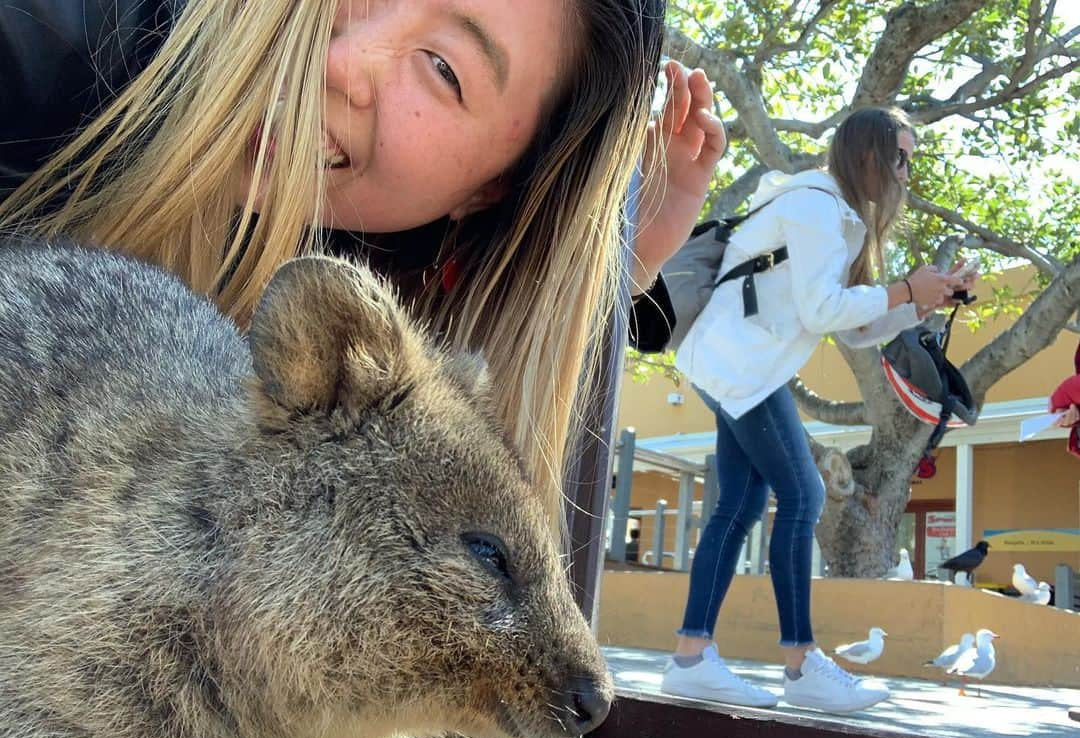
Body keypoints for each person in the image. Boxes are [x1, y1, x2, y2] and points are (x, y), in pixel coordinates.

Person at [0, 0, 725, 522]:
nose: (341, 59)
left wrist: (620, 270)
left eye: (443, 68)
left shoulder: (360, 251)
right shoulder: (56, 49)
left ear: (490, 189)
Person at [652, 107, 973, 713]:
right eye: (900, 156)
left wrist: (918, 303)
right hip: (744, 367)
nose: (906, 172)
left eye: (911, 159)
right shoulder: (819, 205)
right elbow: (825, 310)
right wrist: (905, 288)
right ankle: (800, 665)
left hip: (734, 364)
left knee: (742, 504)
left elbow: (853, 329)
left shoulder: (841, 217)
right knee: (805, 496)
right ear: (868, 153)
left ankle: (691, 658)